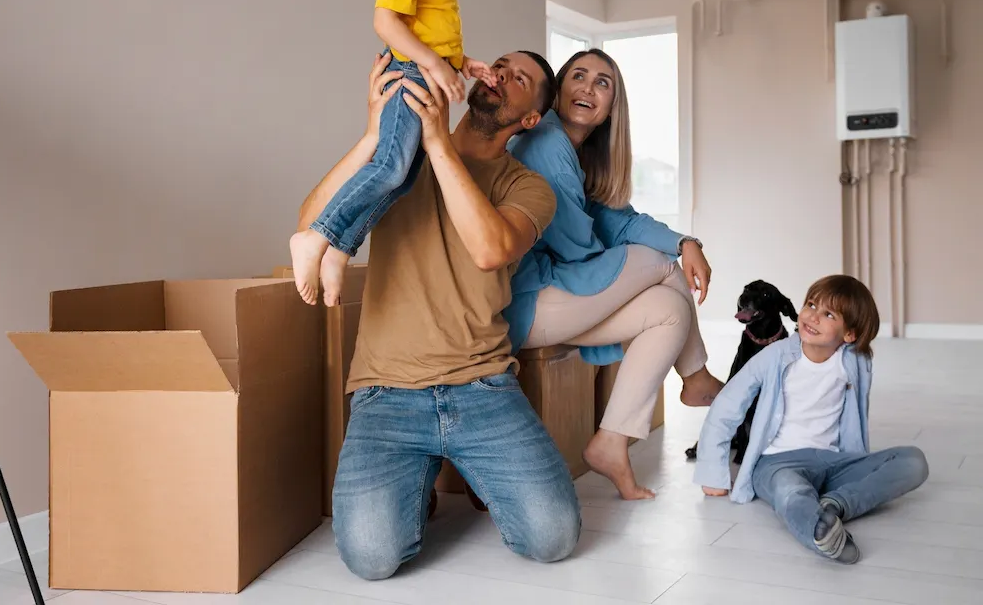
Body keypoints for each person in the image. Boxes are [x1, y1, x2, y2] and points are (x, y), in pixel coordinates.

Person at [291, 49, 580, 581]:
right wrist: (375, 135)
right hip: (386, 392)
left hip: (483, 388)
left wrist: (437, 142)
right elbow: (312, 220)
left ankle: (455, 472)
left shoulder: (528, 188)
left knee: (553, 537)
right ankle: (420, 480)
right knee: (371, 559)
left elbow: (491, 248)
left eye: (521, 80)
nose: (501, 76)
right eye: (500, 65)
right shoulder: (396, 167)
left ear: (531, 118)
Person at [503, 48, 724, 501]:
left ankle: (611, 440)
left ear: (610, 108)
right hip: (525, 301)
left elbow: (621, 220)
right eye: (578, 76)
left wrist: (687, 242)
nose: (588, 87)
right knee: (656, 264)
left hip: (557, 298)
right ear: (558, 90)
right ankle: (697, 377)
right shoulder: (545, 143)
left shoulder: (578, 154)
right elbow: (575, 245)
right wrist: (650, 259)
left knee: (668, 310)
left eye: (603, 83)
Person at [291, 0, 498, 308]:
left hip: (420, 70)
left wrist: (463, 62)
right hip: (409, 74)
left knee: (402, 179)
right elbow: (386, 22)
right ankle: (316, 237)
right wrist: (433, 65)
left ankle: (340, 248)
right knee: (388, 169)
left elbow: (433, 26)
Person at [695, 275, 929, 564]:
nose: (813, 316)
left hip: (833, 462)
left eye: (828, 314)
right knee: (790, 493)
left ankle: (836, 504)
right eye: (811, 304)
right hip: (776, 462)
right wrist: (711, 472)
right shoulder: (775, 356)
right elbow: (728, 405)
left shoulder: (854, 362)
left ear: (849, 335)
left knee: (914, 461)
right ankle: (821, 532)